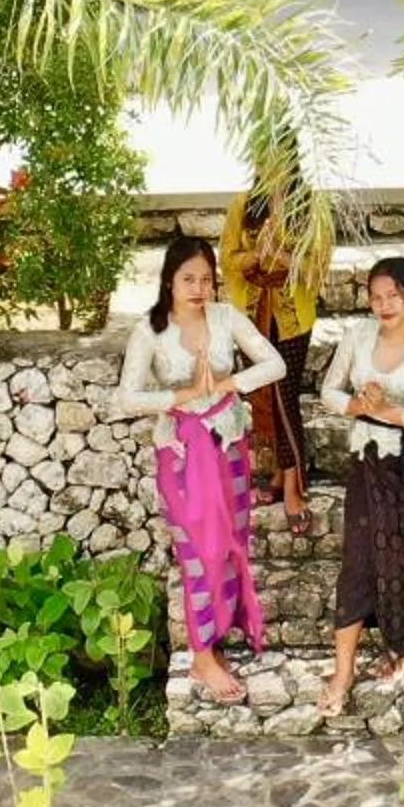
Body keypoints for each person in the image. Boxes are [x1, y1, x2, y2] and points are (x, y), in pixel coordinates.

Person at [113, 234, 286, 705]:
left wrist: (228, 382)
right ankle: (202, 653)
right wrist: (184, 395)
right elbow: (126, 399)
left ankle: (217, 639)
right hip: (183, 455)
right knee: (198, 552)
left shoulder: (226, 318)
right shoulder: (150, 331)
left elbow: (275, 364)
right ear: (169, 281)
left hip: (228, 447)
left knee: (230, 547)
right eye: (188, 278)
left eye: (206, 280)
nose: (198, 288)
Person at [316, 256, 404, 717]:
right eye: (375, 297)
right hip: (369, 465)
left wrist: (394, 412)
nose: (382, 305)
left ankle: (398, 646)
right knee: (357, 564)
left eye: (392, 295)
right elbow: (328, 392)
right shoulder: (358, 337)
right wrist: (359, 405)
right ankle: (343, 672)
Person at [219, 166, 325, 539]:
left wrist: (279, 256)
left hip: (293, 316)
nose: (272, 163)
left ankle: (295, 487)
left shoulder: (311, 206)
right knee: (264, 396)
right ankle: (280, 475)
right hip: (253, 314)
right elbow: (227, 257)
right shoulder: (244, 204)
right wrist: (253, 260)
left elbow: (318, 265)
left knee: (284, 397)